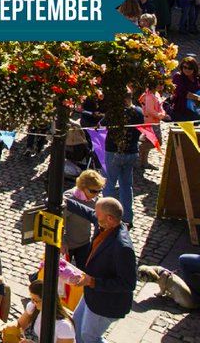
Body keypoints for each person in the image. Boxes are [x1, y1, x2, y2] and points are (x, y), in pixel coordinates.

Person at [62, 197, 137, 343]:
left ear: (109, 218)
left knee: (89, 337)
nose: (94, 216)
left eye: (97, 214)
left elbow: (128, 284)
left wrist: (93, 282)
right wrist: (66, 201)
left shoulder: (122, 247)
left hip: (105, 303)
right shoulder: (106, 224)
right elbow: (87, 212)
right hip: (92, 294)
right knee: (76, 328)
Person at [102, 95, 144, 228]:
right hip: (131, 152)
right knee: (126, 186)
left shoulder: (115, 112)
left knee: (109, 184)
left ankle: (106, 217)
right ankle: (127, 218)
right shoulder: (138, 111)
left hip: (114, 152)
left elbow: (101, 124)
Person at [63, 170, 106, 266]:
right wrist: (62, 242)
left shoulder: (94, 200)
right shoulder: (69, 199)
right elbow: (59, 221)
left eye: (99, 191)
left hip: (84, 243)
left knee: (84, 271)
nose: (96, 194)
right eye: (93, 191)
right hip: (67, 245)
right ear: (82, 187)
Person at [140, 81, 167, 167]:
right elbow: (149, 110)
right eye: (159, 84)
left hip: (155, 122)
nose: (161, 86)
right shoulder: (149, 96)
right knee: (153, 141)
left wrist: (163, 112)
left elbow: (160, 106)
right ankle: (139, 150)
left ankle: (144, 161)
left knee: (150, 141)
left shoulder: (156, 94)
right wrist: (159, 115)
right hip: (149, 122)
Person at [171, 57, 200, 122]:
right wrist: (198, 97)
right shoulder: (178, 76)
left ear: (194, 69)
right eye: (185, 67)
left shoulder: (197, 77)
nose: (187, 70)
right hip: (182, 111)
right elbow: (181, 92)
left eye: (190, 68)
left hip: (196, 110)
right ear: (182, 67)